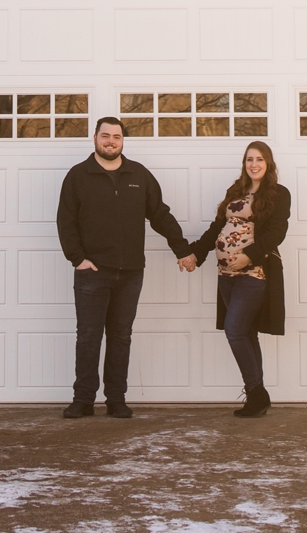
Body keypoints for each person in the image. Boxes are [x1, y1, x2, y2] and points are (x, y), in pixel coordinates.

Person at [55, 115, 195, 418]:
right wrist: (78, 259)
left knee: (120, 336)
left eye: (116, 137)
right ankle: (83, 400)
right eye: (105, 136)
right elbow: (66, 221)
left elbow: (159, 214)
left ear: (122, 141)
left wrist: (182, 250)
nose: (110, 142)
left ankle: (116, 398)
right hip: (92, 272)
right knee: (89, 336)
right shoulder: (79, 176)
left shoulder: (138, 175)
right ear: (95, 138)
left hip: (130, 271)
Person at [188, 140, 291, 418]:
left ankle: (257, 393)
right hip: (226, 275)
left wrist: (250, 256)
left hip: (254, 273)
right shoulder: (235, 191)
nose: (254, 164)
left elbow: (277, 232)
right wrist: (195, 254)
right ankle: (257, 396)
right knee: (246, 333)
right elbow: (216, 228)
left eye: (259, 159)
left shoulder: (278, 194)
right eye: (249, 159)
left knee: (235, 330)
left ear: (268, 163)